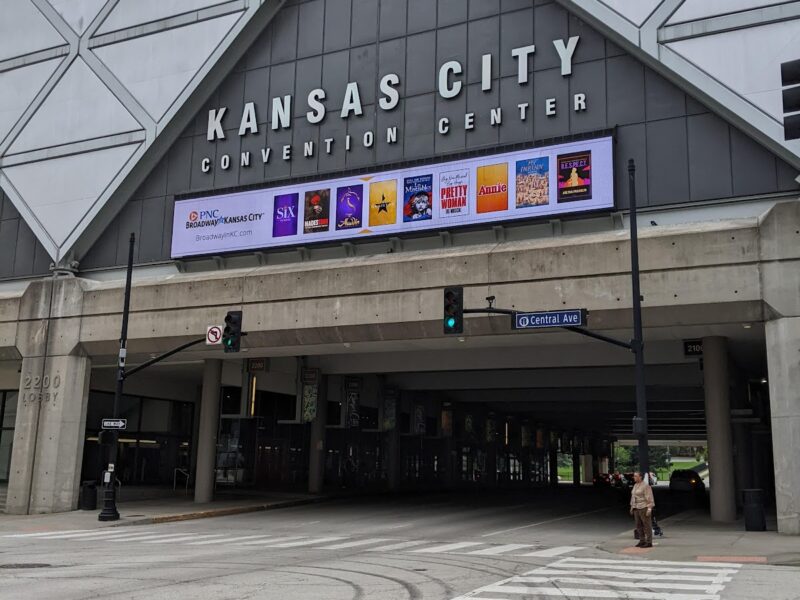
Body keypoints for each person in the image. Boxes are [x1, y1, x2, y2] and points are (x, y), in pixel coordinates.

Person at [630, 471, 655, 548]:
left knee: (646, 525)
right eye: (634, 476)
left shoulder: (646, 486)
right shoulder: (635, 485)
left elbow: (650, 497)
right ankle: (642, 540)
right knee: (638, 525)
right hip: (636, 507)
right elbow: (633, 496)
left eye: (635, 476)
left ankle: (649, 541)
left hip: (644, 507)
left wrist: (649, 508)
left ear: (640, 477)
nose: (634, 477)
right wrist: (632, 506)